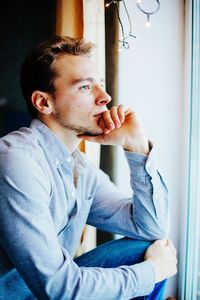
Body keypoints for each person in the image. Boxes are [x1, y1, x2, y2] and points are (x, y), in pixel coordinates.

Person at [0, 36, 177, 300]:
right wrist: (151, 272)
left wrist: (136, 147)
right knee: (149, 266)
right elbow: (59, 288)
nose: (105, 98)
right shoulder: (17, 162)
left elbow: (152, 229)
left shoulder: (79, 168)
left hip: (48, 291)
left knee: (147, 247)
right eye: (85, 87)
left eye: (101, 85)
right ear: (43, 103)